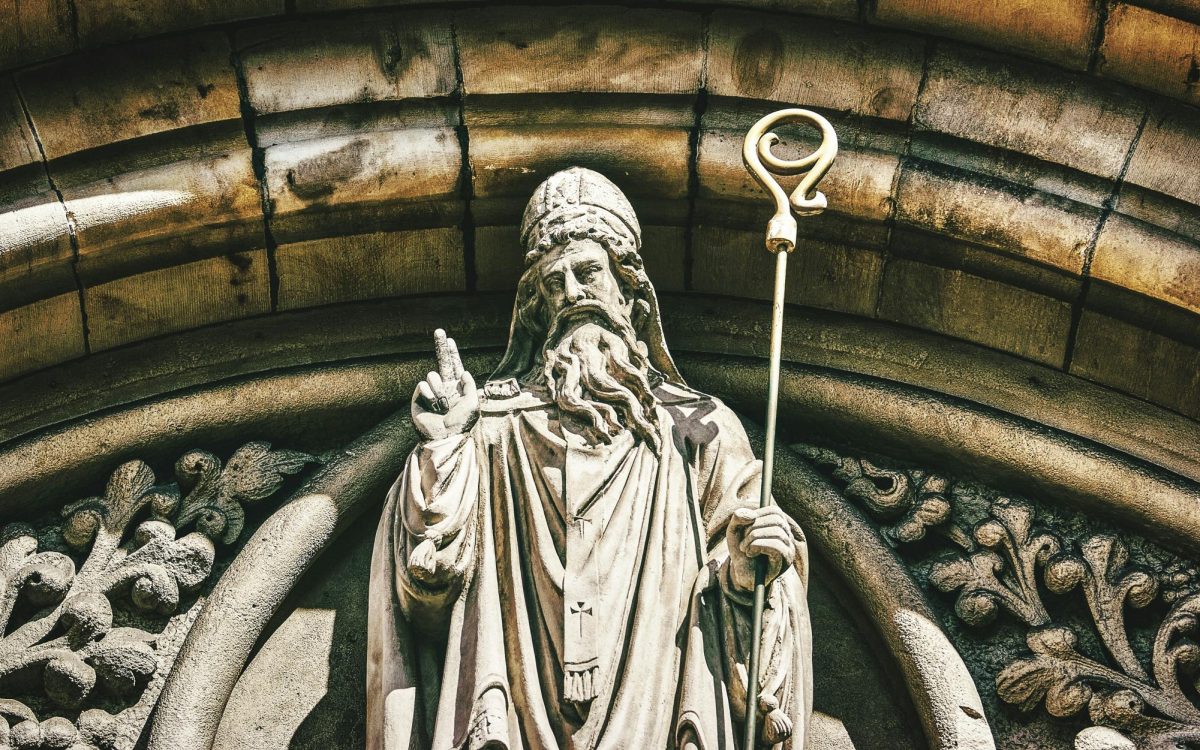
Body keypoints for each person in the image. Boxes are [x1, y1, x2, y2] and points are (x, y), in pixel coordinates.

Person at [367, 167, 811, 750]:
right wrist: (445, 446)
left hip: (660, 706)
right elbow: (425, 591)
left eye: (588, 272)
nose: (573, 293)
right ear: (535, 307)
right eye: (554, 283)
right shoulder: (491, 433)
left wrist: (749, 570)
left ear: (628, 289)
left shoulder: (699, 431)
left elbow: (751, 586)